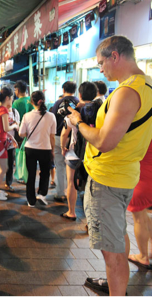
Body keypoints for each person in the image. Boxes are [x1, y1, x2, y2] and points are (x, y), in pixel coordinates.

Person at [68, 36, 152, 297]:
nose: (100, 69)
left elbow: (105, 141)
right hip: (125, 174)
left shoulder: (128, 91)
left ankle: (117, 290)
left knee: (112, 254)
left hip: (107, 179)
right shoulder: (146, 84)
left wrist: (79, 124)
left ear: (115, 56)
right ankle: (117, 286)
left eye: (101, 62)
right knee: (118, 240)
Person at [60, 82, 98, 221]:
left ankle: (71, 212)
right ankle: (90, 221)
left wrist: (63, 147)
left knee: (71, 183)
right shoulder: (99, 111)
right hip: (92, 155)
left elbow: (65, 134)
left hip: (74, 154)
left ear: (80, 95)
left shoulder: (74, 112)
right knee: (90, 186)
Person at [19, 91, 56, 207]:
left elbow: (21, 134)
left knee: (30, 174)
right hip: (46, 148)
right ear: (43, 100)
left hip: (30, 149)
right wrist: (52, 150)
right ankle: (42, 193)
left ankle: (31, 200)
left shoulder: (27, 116)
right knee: (45, 173)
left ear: (31, 102)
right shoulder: (51, 116)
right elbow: (52, 136)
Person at [50, 82, 79, 203]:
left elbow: (52, 120)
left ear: (63, 89)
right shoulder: (78, 102)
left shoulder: (57, 103)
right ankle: (72, 193)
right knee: (72, 167)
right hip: (74, 139)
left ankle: (60, 193)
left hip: (58, 137)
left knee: (60, 165)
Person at [127, 142, 152, 269]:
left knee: (139, 217)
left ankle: (143, 256)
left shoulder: (145, 124)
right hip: (149, 173)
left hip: (142, 176)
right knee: (145, 217)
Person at [6, 99, 21, 192]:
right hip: (0, 142)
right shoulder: (1, 112)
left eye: (10, 99)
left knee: (10, 164)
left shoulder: (15, 112)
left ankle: (8, 183)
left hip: (11, 143)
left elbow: (18, 126)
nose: (10, 101)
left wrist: (16, 125)